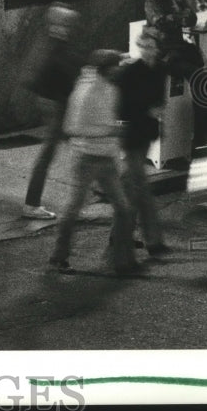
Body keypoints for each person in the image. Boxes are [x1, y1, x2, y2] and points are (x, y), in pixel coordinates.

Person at [49, 50, 138, 275]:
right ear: (106, 69)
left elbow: (110, 117)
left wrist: (117, 127)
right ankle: (59, 257)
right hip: (85, 158)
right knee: (72, 209)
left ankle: (122, 262)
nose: (120, 69)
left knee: (124, 208)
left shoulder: (111, 87)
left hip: (107, 157)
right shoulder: (85, 92)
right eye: (117, 65)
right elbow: (72, 128)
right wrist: (110, 130)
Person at [20, 3, 83, 220]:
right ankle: (32, 204)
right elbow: (67, 73)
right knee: (51, 152)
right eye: (66, 23)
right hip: (58, 104)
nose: (68, 28)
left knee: (70, 148)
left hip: (51, 101)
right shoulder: (56, 48)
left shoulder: (47, 43)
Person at [112, 27, 170, 257]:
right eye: (144, 47)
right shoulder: (131, 72)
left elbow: (159, 99)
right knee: (140, 188)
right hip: (131, 133)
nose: (147, 51)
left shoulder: (160, 70)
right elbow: (121, 106)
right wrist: (147, 109)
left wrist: (156, 111)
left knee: (131, 187)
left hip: (144, 132)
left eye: (151, 47)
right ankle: (153, 241)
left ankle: (119, 235)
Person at [145, 0, 202, 79]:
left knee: (198, 58)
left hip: (177, 43)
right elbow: (160, 22)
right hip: (161, 48)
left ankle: (201, 91)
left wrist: (181, 17)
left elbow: (192, 18)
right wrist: (179, 17)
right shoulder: (152, 0)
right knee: (190, 70)